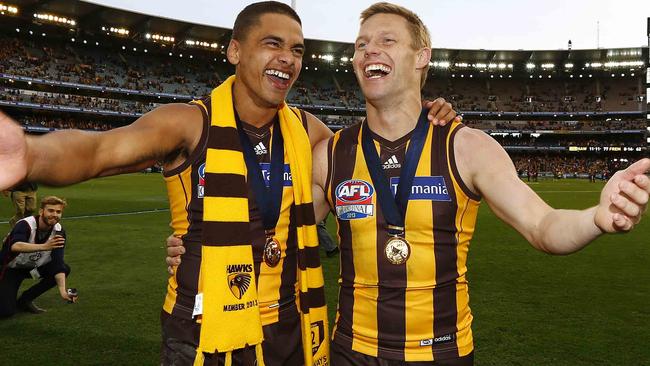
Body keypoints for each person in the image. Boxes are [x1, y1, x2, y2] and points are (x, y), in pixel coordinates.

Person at [0, 2, 458, 365]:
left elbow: (379, 148)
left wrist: (428, 114)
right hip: (201, 325)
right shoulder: (188, 123)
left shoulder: (310, 130)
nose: (287, 58)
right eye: (272, 44)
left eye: (297, 50)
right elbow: (99, 151)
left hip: (288, 326)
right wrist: (32, 153)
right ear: (236, 51)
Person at [305, 3, 648, 365]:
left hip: (442, 353)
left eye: (387, 40)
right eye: (361, 44)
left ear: (422, 56)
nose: (369, 49)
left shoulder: (468, 147)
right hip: (351, 351)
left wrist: (596, 217)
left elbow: (543, 226)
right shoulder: (331, 154)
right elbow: (278, 231)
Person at [0, 196, 76, 318]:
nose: (54, 214)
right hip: (10, 268)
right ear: (41, 211)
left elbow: (57, 263)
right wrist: (45, 246)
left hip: (32, 267)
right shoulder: (25, 224)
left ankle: (25, 300)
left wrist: (62, 291)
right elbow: (15, 246)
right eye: (50, 210)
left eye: (58, 212)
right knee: (5, 312)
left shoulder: (59, 231)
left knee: (64, 268)